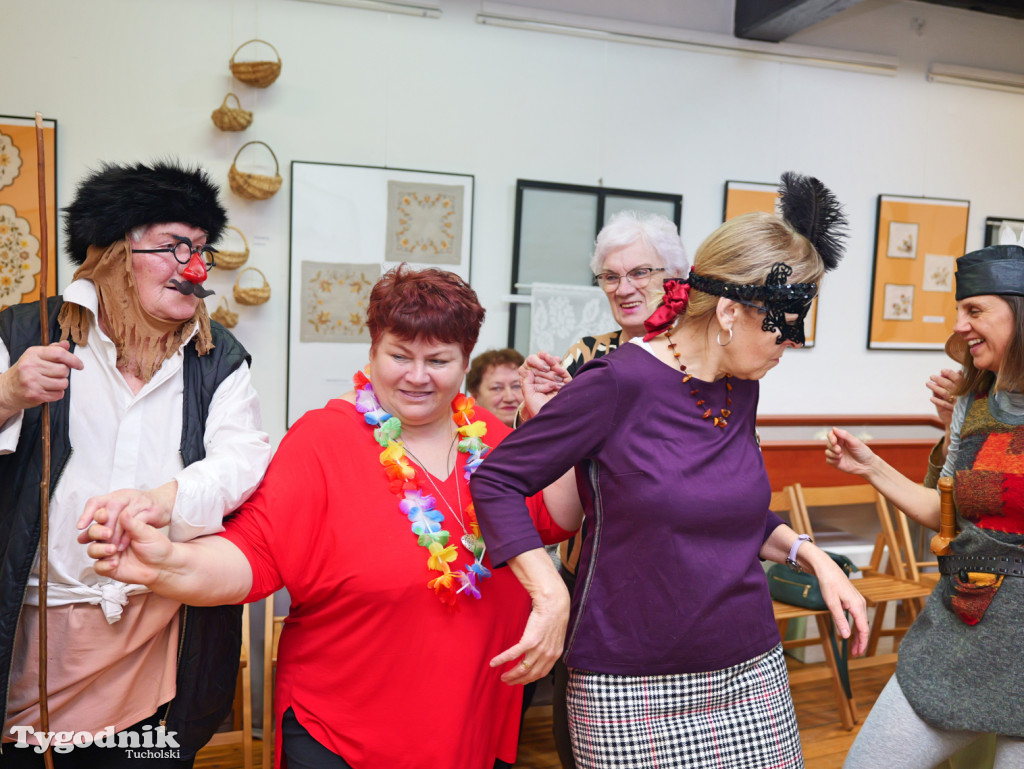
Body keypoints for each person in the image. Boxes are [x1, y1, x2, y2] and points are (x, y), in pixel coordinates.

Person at [83, 265, 581, 769]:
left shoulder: (487, 437)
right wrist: (164, 564)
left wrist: (559, 423)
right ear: (372, 350)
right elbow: (254, 553)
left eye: (438, 360)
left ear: (464, 361)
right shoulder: (323, 441)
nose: (416, 375)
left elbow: (554, 518)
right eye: (399, 355)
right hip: (344, 731)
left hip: (467, 721)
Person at [471, 173, 870, 769]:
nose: (790, 345)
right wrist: (550, 593)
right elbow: (496, 481)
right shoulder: (613, 383)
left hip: (750, 671)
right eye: (784, 329)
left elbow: (725, 509)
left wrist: (811, 556)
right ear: (731, 313)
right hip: (629, 684)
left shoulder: (739, 389)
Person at [0, 161, 271, 766]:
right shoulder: (23, 333)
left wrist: (160, 500)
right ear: (115, 254)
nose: (194, 268)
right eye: (175, 246)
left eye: (201, 249)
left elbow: (243, 459)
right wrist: (8, 395)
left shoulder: (218, 355)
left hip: (158, 635)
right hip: (32, 632)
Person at [826, 232, 1024, 769]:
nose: (959, 326)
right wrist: (870, 466)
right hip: (960, 628)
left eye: (974, 309)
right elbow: (947, 518)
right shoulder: (972, 403)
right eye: (959, 309)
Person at [517, 209, 688, 768]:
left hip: (684, 577)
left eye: (641, 272)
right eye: (611, 277)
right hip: (592, 575)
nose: (625, 288)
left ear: (676, 275)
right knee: (589, 739)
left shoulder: (706, 356)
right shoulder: (586, 355)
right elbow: (541, 471)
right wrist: (539, 411)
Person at [467, 348, 525, 427]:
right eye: (497, 388)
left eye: (516, 386)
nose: (509, 398)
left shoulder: (540, 434)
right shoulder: (462, 437)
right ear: (475, 397)